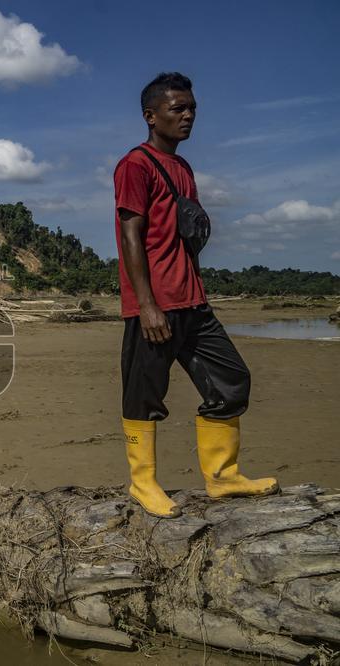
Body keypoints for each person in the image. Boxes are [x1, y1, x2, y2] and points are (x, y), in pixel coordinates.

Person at [113, 72, 278, 519]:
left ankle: (223, 477)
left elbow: (185, 236)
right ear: (150, 116)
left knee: (231, 380)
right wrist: (146, 305)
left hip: (193, 303)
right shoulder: (135, 164)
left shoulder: (183, 168)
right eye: (177, 109)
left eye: (192, 109)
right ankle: (142, 483)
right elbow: (130, 234)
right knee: (144, 393)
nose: (188, 116)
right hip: (156, 305)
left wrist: (198, 289)